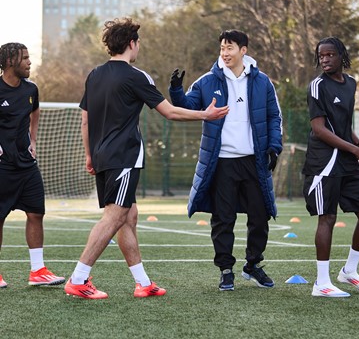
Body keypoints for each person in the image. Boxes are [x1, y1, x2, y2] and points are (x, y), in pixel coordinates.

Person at [64, 17, 229, 300]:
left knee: (129, 216)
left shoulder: (94, 75)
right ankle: (79, 278)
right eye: (138, 43)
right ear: (131, 43)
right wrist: (206, 114)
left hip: (103, 156)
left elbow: (85, 120)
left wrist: (90, 156)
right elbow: (170, 112)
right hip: (124, 156)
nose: (138, 47)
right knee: (115, 216)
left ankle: (143, 283)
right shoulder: (136, 76)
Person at [169, 29, 282, 291]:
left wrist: (274, 148)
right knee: (223, 218)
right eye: (222, 48)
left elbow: (274, 117)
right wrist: (176, 89)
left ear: (243, 50)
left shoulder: (263, 81)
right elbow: (187, 106)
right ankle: (226, 269)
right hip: (221, 162)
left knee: (260, 216)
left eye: (230, 48)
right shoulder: (207, 81)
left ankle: (253, 265)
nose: (225, 53)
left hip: (254, 160)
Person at [302, 36, 359, 298]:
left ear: (341, 56)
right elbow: (320, 129)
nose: (324, 59)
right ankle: (321, 283)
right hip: (324, 162)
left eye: (329, 55)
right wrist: (354, 150)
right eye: (320, 56)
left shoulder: (351, 83)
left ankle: (349, 271)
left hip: (347, 159)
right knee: (328, 217)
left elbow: (343, 125)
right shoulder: (317, 86)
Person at [0, 42, 65, 289]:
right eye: (24, 58)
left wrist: (33, 139)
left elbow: (34, 112)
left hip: (26, 165)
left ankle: (38, 271)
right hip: (2, 166)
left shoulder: (31, 89)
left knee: (36, 212)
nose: (29, 62)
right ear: (9, 62)